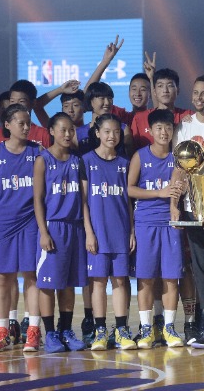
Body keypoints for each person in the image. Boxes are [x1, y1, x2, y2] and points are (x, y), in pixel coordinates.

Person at [170, 75, 204, 348]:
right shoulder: (184, 126)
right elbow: (179, 167)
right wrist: (174, 203)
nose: (200, 98)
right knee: (201, 267)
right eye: (196, 93)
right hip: (194, 206)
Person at [0, 104, 42, 352]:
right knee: (3, 278)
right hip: (4, 223)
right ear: (7, 125)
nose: (26, 127)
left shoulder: (37, 152)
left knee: (31, 276)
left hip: (30, 222)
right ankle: (2, 331)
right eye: (21, 122)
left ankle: (33, 331)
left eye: (28, 122)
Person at [127, 109, 185, 349]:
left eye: (168, 128)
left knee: (171, 278)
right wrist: (158, 193)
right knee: (146, 278)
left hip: (171, 224)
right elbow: (129, 189)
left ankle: (169, 329)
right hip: (145, 223)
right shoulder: (140, 156)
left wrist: (172, 203)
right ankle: (146, 329)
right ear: (150, 130)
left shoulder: (179, 157)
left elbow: (178, 187)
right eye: (159, 128)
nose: (164, 132)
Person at [81, 113, 137, 351]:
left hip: (121, 231)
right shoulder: (86, 161)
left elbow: (129, 202)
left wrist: (132, 231)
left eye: (116, 132)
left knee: (121, 281)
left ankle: (122, 330)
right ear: (97, 133)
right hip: (98, 232)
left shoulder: (125, 164)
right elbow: (83, 201)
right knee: (98, 283)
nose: (112, 136)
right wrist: (89, 232)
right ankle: (100, 330)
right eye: (107, 131)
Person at [33, 112, 87, 353]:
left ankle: (65, 329)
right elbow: (37, 200)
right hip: (53, 226)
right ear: (51, 131)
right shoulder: (43, 160)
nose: (67, 134)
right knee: (47, 284)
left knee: (68, 284)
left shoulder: (78, 160)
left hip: (74, 227)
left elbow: (83, 199)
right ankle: (50, 334)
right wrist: (43, 232)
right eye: (62, 129)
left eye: (71, 130)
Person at [83, 36, 151, 126]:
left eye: (143, 89)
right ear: (129, 92)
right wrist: (105, 62)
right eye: (134, 89)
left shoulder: (155, 117)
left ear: (151, 93)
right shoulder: (121, 116)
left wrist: (152, 78)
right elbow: (87, 95)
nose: (137, 93)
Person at [131, 66, 193, 150]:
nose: (165, 90)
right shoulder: (140, 119)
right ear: (154, 91)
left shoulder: (189, 116)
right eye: (160, 86)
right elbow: (133, 151)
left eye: (170, 85)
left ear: (177, 90)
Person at [79, 82, 133, 157]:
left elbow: (130, 158)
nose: (107, 102)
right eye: (102, 98)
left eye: (109, 98)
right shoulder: (78, 133)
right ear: (90, 101)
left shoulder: (124, 130)